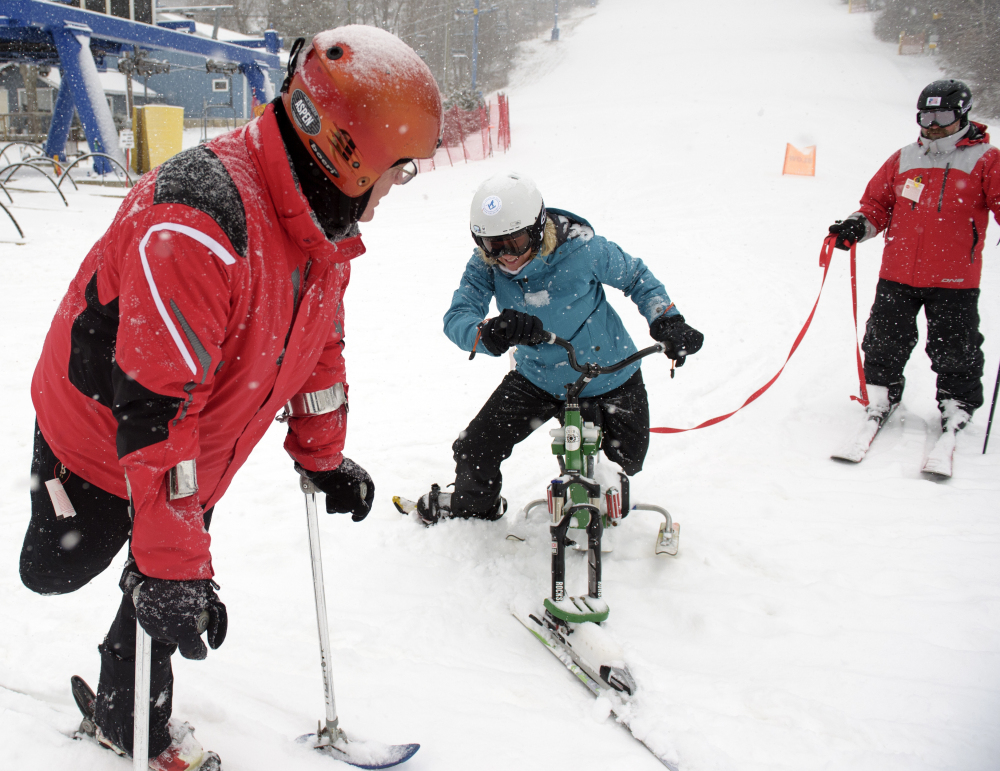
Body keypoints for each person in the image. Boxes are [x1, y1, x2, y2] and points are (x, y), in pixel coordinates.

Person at [20, 27, 442, 771]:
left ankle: (133, 718)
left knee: (163, 567)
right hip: (99, 432)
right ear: (346, 155)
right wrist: (172, 563)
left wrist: (323, 455)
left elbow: (319, 347)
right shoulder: (198, 219)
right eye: (396, 170)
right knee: (59, 569)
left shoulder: (320, 226)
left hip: (196, 447)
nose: (394, 190)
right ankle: (129, 560)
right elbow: (156, 412)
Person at [411, 172, 704, 525]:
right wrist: (487, 333)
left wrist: (667, 321)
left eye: (515, 242)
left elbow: (637, 278)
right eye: (493, 245)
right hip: (538, 379)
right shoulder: (485, 265)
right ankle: (473, 508)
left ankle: (599, 503)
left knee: (625, 464)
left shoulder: (584, 249)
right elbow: (458, 316)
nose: (505, 256)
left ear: (536, 229)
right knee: (475, 448)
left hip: (610, 375)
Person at [828, 79, 1000, 434]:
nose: (933, 124)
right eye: (926, 115)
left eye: (943, 115)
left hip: (955, 277)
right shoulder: (904, 158)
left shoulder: (986, 159)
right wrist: (856, 226)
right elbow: (877, 206)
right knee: (883, 341)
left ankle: (957, 403)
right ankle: (881, 395)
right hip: (898, 273)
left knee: (956, 347)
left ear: (963, 114)